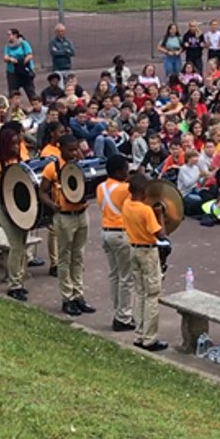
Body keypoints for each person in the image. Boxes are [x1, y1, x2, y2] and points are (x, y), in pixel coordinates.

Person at [40, 134, 95, 316]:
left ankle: (79, 295)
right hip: (64, 216)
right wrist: (52, 205)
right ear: (60, 148)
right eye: (70, 150)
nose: (74, 153)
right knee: (64, 257)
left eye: (75, 149)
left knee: (78, 256)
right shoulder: (52, 167)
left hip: (81, 214)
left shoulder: (80, 164)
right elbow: (43, 192)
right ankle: (67, 297)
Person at [0, 122, 30, 301]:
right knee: (15, 245)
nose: (16, 146)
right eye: (12, 143)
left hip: (20, 207)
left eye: (17, 143)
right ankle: (14, 284)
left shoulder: (20, 161)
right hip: (3, 207)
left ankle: (19, 278)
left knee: (22, 244)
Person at [123, 173, 168, 351]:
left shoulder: (127, 204)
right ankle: (149, 338)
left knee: (139, 292)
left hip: (133, 248)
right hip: (147, 251)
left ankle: (139, 334)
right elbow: (161, 233)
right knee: (152, 294)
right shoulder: (145, 210)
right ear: (143, 192)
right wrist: (160, 215)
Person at [98, 155, 135, 331]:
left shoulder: (101, 187)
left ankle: (118, 311)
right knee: (126, 278)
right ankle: (124, 316)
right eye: (126, 170)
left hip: (106, 232)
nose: (127, 173)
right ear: (119, 171)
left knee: (114, 275)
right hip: (121, 234)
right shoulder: (123, 188)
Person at [2, 27, 36, 100]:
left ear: (15, 35)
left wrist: (20, 62)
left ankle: (35, 104)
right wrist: (11, 59)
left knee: (30, 91)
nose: (8, 37)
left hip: (24, 71)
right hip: (12, 71)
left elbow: (29, 55)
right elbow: (5, 57)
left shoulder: (23, 43)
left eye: (9, 35)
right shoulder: (7, 46)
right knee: (13, 92)